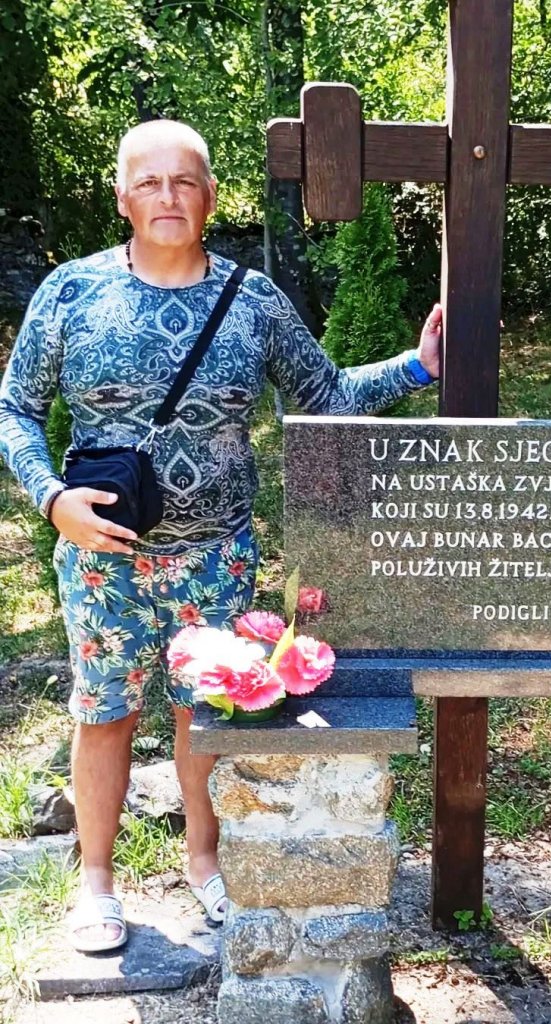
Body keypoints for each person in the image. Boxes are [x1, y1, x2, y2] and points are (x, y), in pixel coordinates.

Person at [0, 119, 441, 952]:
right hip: (101, 560)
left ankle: (205, 863)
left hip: (216, 558)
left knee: (203, 712)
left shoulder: (253, 300)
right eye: (149, 181)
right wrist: (52, 499)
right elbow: (15, 407)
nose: (167, 196)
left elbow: (325, 395)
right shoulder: (70, 291)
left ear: (209, 196)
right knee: (103, 712)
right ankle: (96, 881)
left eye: (185, 181)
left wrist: (416, 366)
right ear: (123, 196)